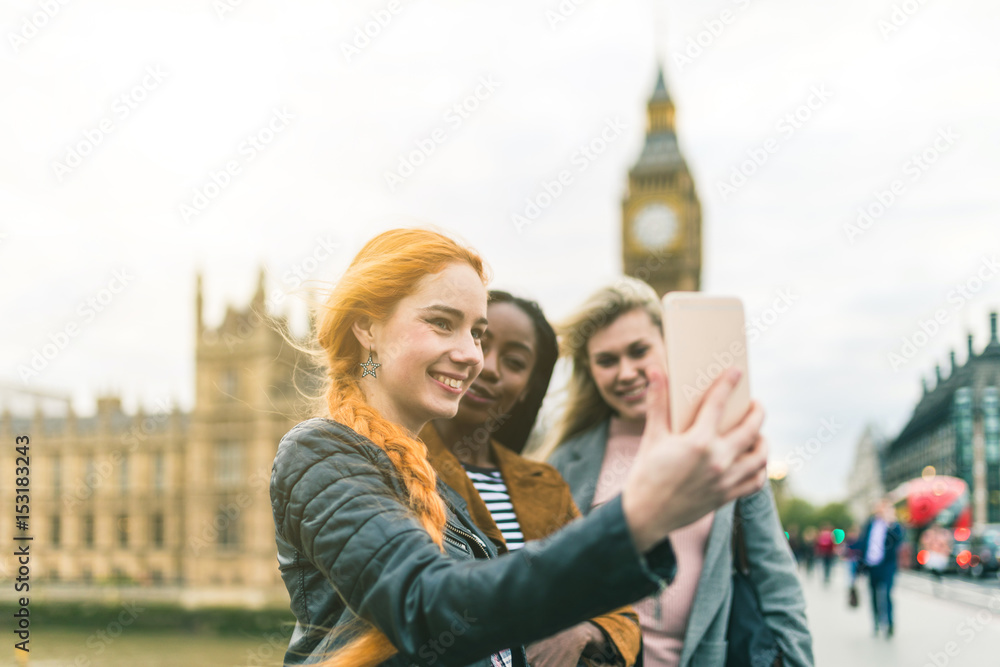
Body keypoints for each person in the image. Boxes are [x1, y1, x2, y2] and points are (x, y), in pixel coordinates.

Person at [269, 229, 769, 667]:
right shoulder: (320, 454)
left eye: (476, 333)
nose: (471, 356)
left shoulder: (436, 485)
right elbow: (429, 610)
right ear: (367, 327)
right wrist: (639, 515)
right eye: (442, 323)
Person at [539, 278, 813, 667]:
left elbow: (777, 579)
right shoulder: (565, 462)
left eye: (639, 351)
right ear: (590, 369)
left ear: (668, 347)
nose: (626, 371)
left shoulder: (723, 445)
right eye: (607, 360)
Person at [420, 290, 641, 667]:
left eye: (515, 362)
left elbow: (618, 610)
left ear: (527, 391)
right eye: (479, 342)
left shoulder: (545, 485)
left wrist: (582, 632)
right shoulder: (393, 459)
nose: (489, 367)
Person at [855, 498, 904, 638]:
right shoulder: (870, 524)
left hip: (887, 565)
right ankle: (876, 621)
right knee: (873, 594)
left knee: (887, 593)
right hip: (871, 565)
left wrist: (891, 523)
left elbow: (899, 539)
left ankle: (889, 623)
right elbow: (862, 544)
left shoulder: (893, 525)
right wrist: (860, 567)